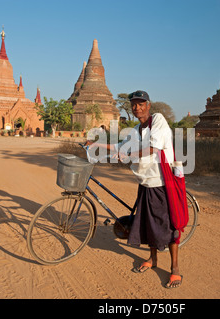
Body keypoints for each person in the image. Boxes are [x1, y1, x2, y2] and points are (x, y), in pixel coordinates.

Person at [85, 90, 182, 289]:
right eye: (133, 105)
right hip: (145, 181)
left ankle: (175, 269)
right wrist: (97, 144)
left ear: (148, 105)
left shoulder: (159, 121)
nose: (137, 108)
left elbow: (154, 148)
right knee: (147, 223)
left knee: (167, 226)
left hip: (161, 182)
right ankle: (152, 259)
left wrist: (131, 156)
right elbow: (121, 145)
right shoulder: (137, 129)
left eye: (140, 104)